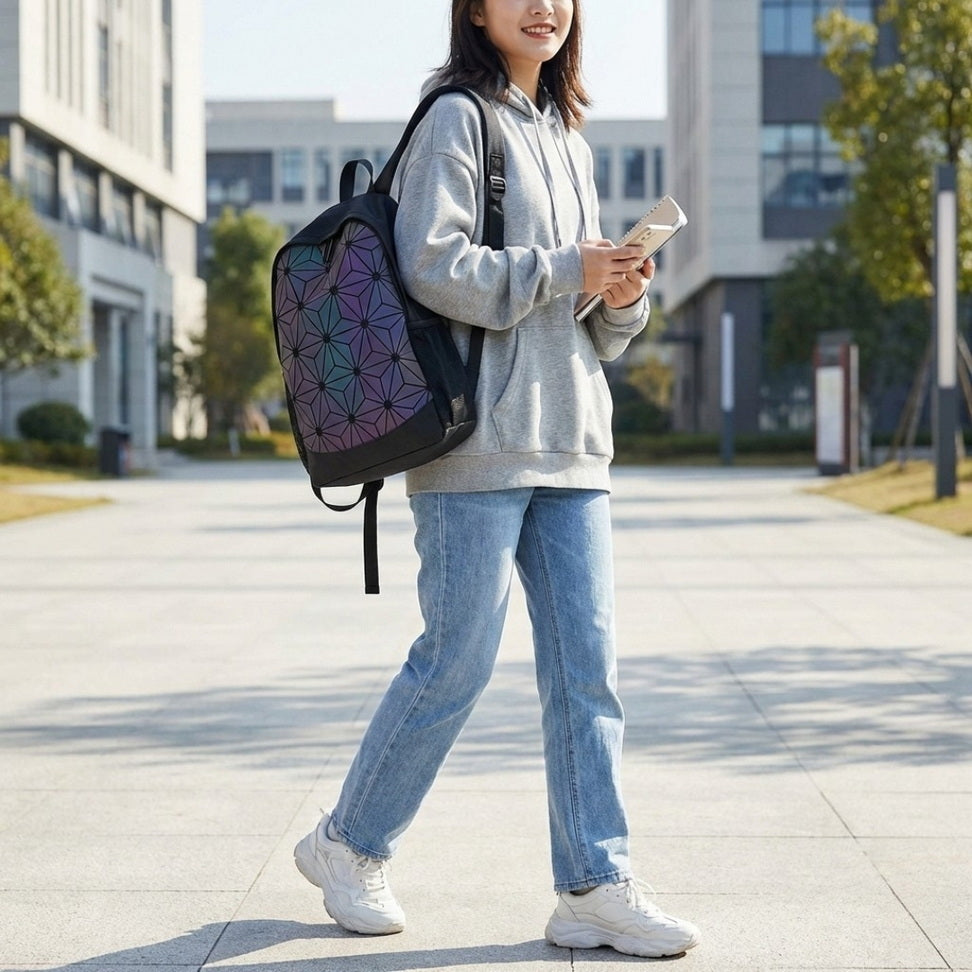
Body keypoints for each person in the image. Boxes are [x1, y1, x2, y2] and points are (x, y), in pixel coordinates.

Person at [294, 0, 701, 959]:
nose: (546, 7)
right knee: (457, 662)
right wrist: (568, 266)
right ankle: (348, 845)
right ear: (477, 9)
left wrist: (619, 293)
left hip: (571, 444)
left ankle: (593, 884)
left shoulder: (567, 135)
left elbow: (583, 317)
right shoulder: (455, 117)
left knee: (586, 675)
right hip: (475, 442)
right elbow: (430, 267)